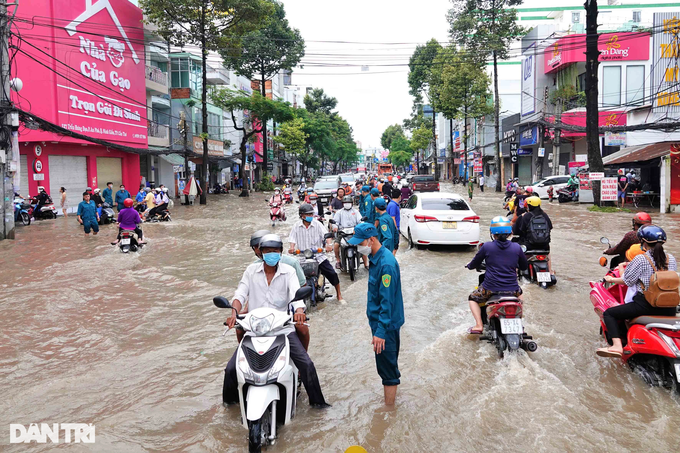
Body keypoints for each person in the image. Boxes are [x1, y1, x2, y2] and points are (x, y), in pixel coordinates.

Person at [222, 234, 330, 408]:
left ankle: (318, 405)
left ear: (280, 252)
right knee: (231, 369)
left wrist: (300, 311)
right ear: (260, 253)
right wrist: (234, 312)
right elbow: (240, 294)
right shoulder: (251, 271)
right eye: (267, 251)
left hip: (282, 328)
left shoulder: (289, 271)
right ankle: (230, 406)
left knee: (307, 364)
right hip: (255, 329)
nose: (271, 254)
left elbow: (297, 295)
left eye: (275, 251)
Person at [598, 225, 678, 358]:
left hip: (646, 306)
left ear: (643, 242)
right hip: (669, 308)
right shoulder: (671, 258)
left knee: (609, 314)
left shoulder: (641, 259)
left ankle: (617, 346)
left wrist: (611, 278)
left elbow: (627, 281)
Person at [348, 223, 404, 405]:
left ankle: (389, 412)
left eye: (360, 242)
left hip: (384, 326)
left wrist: (380, 332)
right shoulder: (376, 258)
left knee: (387, 371)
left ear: (371, 240)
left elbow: (387, 302)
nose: (358, 247)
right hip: (381, 323)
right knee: (387, 364)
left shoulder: (385, 264)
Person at [465, 216, 528, 334]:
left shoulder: (487, 246)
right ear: (510, 232)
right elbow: (524, 266)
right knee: (520, 296)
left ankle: (479, 325)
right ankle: (519, 323)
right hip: (513, 290)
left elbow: (475, 263)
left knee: (472, 298)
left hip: (490, 289)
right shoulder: (516, 247)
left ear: (492, 233)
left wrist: (469, 266)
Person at [248, 230, 309, 350]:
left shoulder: (291, 264)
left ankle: (304, 352)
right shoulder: (252, 268)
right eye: (256, 248)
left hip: (287, 308)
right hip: (262, 315)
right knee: (240, 331)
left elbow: (300, 286)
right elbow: (250, 293)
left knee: (302, 328)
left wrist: (298, 310)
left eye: (273, 250)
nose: (257, 250)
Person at [288, 203, 345, 304]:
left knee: (332, 273)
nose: (310, 216)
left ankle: (339, 295)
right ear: (302, 215)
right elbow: (292, 239)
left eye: (311, 214)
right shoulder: (296, 226)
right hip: (302, 256)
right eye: (308, 214)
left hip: (318, 255)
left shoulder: (318, 224)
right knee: (292, 275)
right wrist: (292, 248)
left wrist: (329, 245)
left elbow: (326, 236)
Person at [513, 196, 555, 274]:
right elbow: (550, 227)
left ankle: (514, 272)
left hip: (529, 246)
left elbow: (519, 231)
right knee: (548, 252)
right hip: (544, 246)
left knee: (514, 248)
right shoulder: (545, 215)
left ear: (528, 205)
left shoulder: (526, 216)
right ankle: (550, 271)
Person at [332, 195, 362, 269]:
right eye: (345, 202)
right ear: (343, 203)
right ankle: (338, 261)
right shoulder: (339, 212)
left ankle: (366, 263)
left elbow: (360, 221)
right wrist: (335, 227)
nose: (347, 204)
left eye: (349, 202)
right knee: (336, 245)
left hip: (354, 233)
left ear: (352, 203)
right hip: (342, 233)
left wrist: (361, 226)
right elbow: (335, 222)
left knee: (363, 244)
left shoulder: (355, 212)